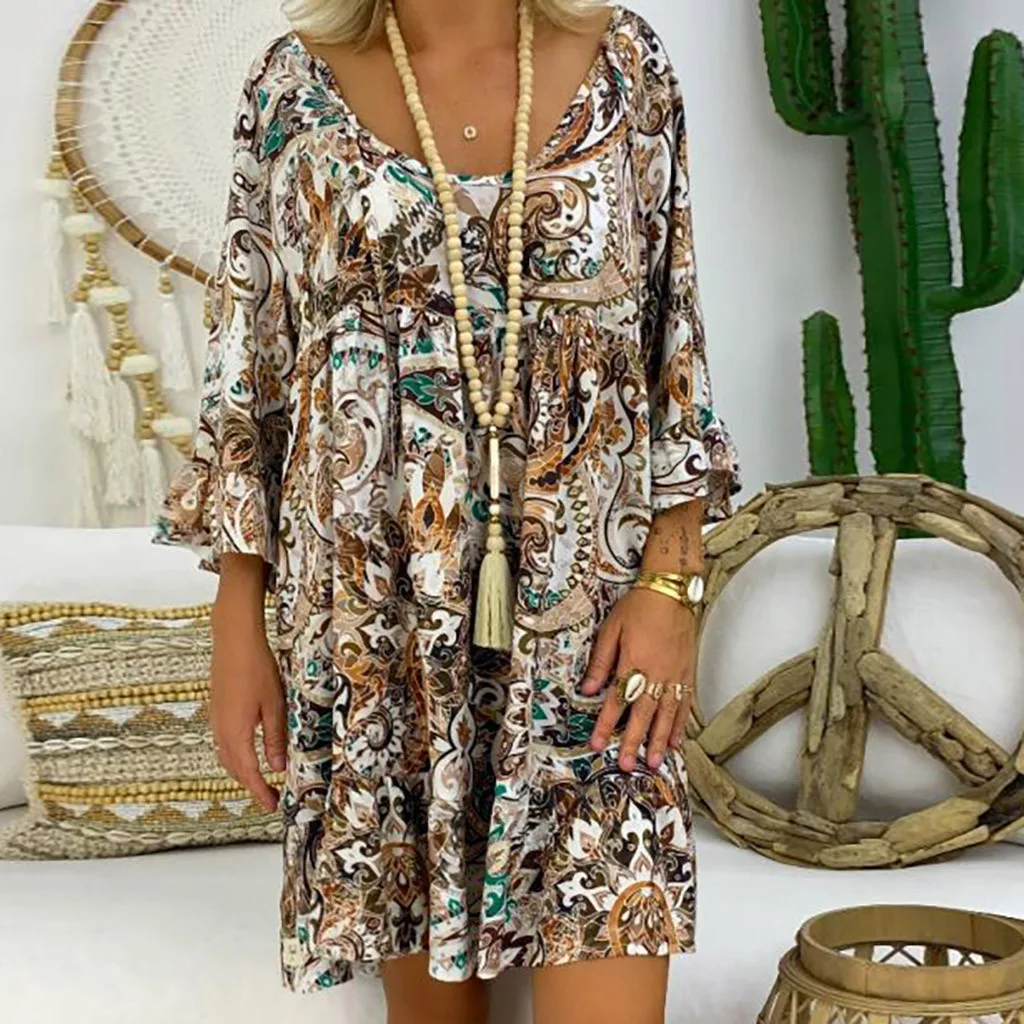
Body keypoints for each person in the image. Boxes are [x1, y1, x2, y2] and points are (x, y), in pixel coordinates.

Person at [156, 1, 740, 1021]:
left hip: (590, 628)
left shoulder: (624, 60)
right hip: (377, 626)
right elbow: (251, 369)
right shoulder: (292, 85)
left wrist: (673, 581)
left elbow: (670, 339)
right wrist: (234, 622)